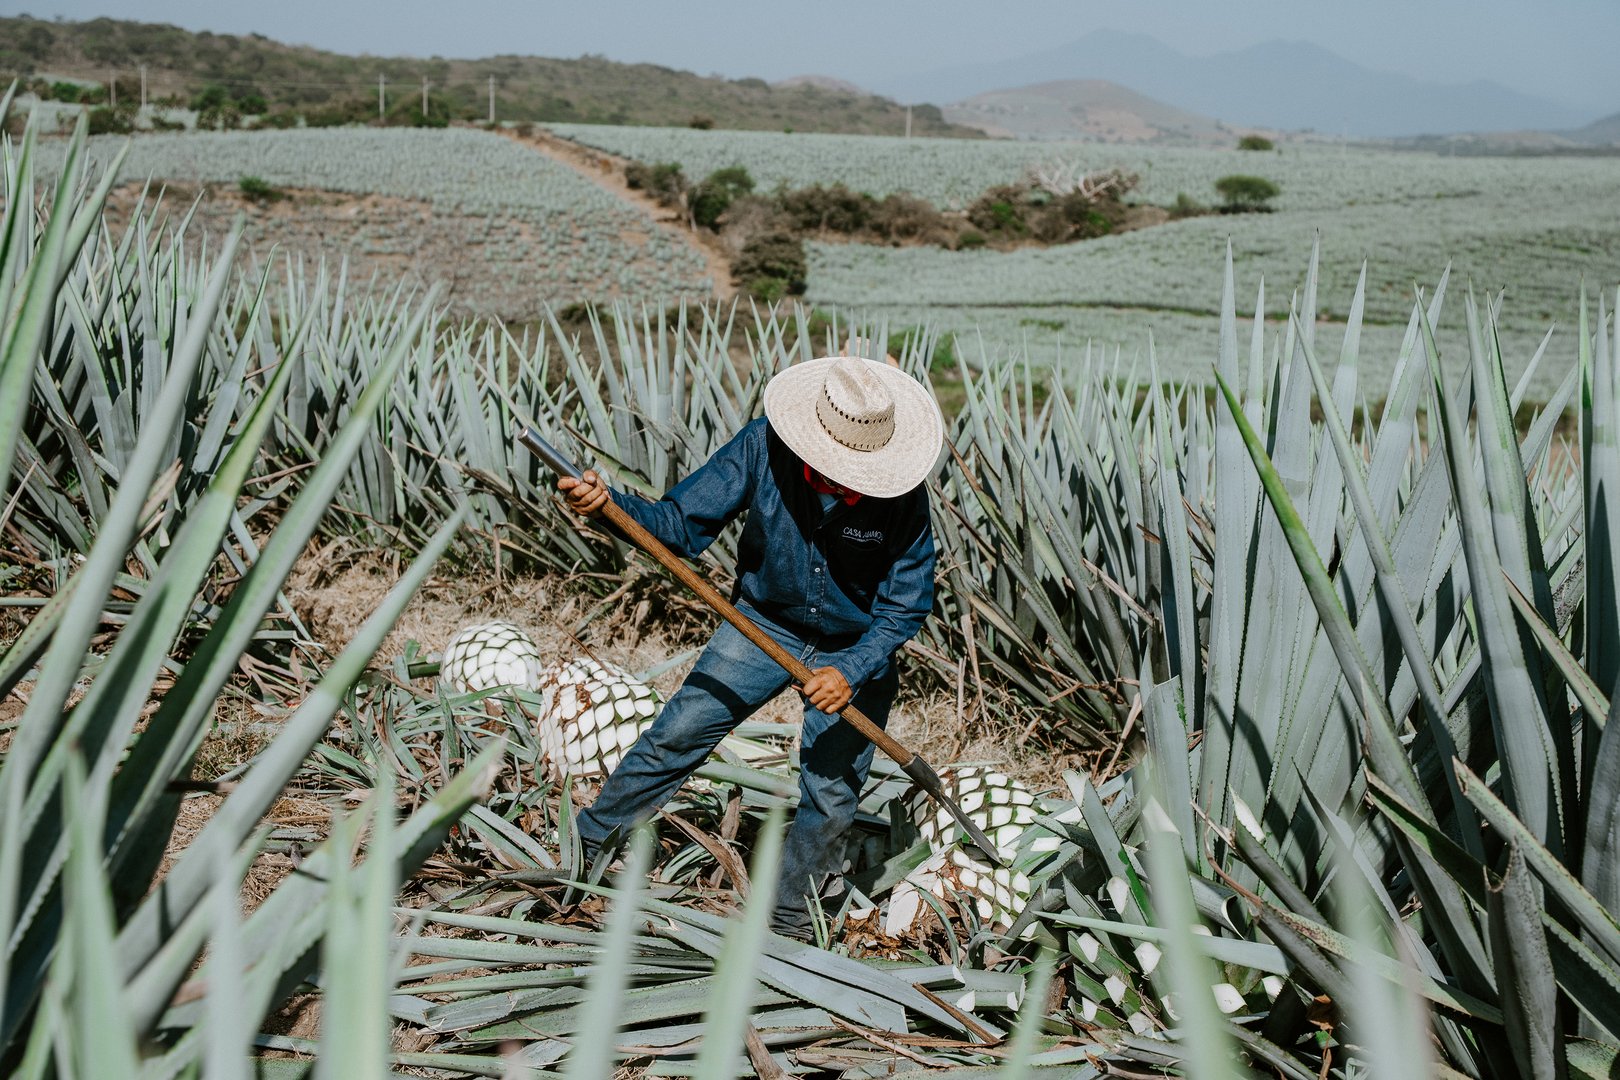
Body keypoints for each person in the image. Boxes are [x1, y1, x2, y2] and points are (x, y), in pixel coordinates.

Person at [558, 354, 944, 941]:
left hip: (854, 645)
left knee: (832, 793)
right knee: (678, 734)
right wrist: (609, 507)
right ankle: (585, 851)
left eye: (853, 478)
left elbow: (904, 608)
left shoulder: (902, 499)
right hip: (764, 624)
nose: (839, 483)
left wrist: (852, 669)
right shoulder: (764, 446)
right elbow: (679, 526)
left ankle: (787, 926)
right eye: (827, 469)